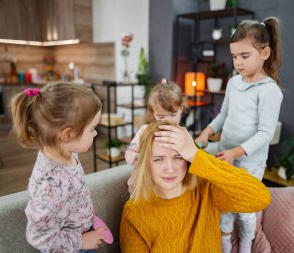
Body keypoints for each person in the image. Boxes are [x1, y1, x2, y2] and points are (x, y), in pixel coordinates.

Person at [195, 17, 283, 253]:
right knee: (224, 206)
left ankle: (245, 247)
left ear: (265, 53)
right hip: (227, 157)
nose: (238, 62)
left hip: (249, 161)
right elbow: (224, 114)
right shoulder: (234, 83)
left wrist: (236, 152)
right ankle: (225, 247)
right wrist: (207, 131)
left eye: (245, 56)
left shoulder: (269, 91)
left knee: (244, 210)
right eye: (235, 56)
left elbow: (265, 133)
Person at [119, 120, 271, 252]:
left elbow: (260, 197)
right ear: (146, 164)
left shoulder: (206, 190)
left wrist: (196, 155)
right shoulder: (134, 212)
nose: (170, 169)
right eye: (158, 159)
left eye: (178, 157)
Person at [11, 83, 108, 252]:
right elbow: (40, 236)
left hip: (82, 230)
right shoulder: (50, 183)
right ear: (67, 134)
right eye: (92, 129)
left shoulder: (65, 151)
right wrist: (80, 241)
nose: (96, 133)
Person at [125, 79, 188, 193]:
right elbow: (129, 154)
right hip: (145, 187)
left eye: (173, 115)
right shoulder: (145, 131)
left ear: (181, 109)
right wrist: (145, 161)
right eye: (161, 116)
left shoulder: (182, 134)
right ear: (153, 112)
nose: (168, 121)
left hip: (170, 187)